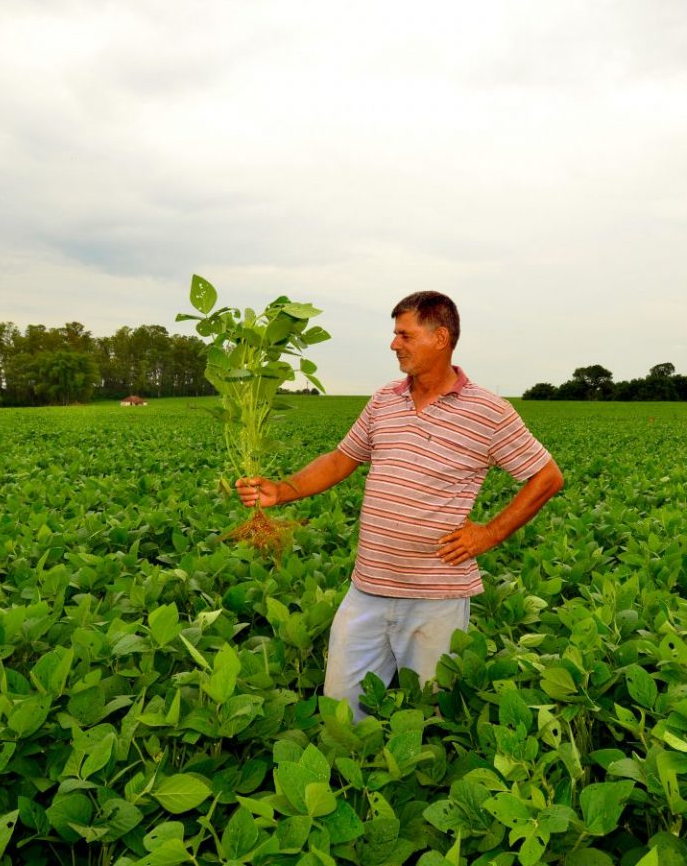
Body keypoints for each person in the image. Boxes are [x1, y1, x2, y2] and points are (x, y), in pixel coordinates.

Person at [236, 291, 564, 720]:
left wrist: (489, 533)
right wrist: (283, 490)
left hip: (435, 597)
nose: (395, 344)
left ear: (441, 337)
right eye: (395, 334)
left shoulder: (488, 412)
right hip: (367, 588)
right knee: (340, 708)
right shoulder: (385, 400)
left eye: (404, 335)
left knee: (429, 711)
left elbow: (547, 476)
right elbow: (341, 459)